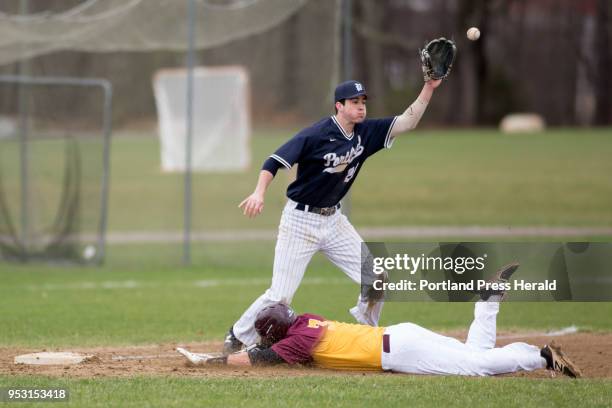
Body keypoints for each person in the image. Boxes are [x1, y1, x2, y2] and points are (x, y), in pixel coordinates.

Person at [225, 78, 444, 353]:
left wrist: (428, 88)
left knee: (376, 277)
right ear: (339, 106)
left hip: (334, 221)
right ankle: (237, 335)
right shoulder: (316, 134)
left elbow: (407, 122)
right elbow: (274, 161)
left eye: (363, 102)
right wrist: (259, 192)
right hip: (300, 222)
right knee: (280, 296)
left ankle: (367, 333)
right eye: (354, 102)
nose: (361, 107)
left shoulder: (367, 133)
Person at [180, 264, 582, 378]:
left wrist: (210, 361)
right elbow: (272, 346)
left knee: (476, 367)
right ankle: (487, 302)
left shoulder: (296, 343)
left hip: (400, 351)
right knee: (471, 353)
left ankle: (541, 357)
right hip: (400, 335)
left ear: (278, 335)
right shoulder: (307, 321)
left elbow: (257, 361)